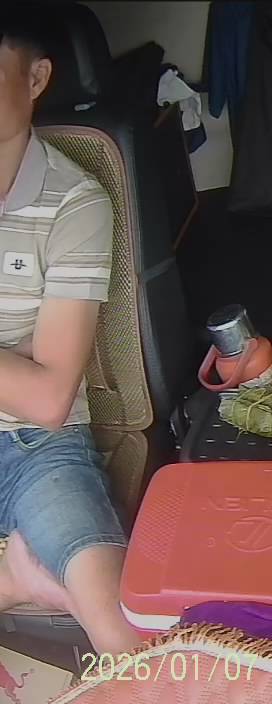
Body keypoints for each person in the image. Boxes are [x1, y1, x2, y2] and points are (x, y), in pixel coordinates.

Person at [0, 11, 138, 653]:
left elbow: (49, 399)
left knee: (119, 625)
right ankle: (15, 580)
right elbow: (30, 379)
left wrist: (34, 377)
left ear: (35, 79)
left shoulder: (74, 201)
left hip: (39, 447)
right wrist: (20, 361)